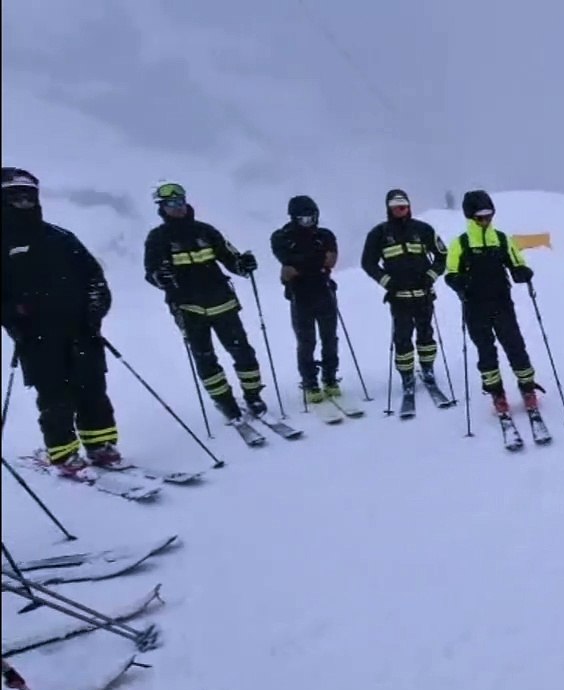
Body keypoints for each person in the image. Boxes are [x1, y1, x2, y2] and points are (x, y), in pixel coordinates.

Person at [1, 167, 120, 478]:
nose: (24, 200)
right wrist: (14, 314)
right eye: (15, 195)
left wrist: (96, 308)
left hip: (83, 330)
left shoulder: (61, 236)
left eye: (29, 194)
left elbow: (94, 277)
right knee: (56, 398)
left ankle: (101, 447)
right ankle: (64, 455)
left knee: (93, 389)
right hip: (38, 337)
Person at [142, 180, 267, 422]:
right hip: (188, 308)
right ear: (162, 208)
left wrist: (244, 265)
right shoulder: (157, 238)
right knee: (205, 358)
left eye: (180, 201)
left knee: (242, 352)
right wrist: (160, 277)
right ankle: (225, 402)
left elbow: (230, 258)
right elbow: (150, 272)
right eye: (171, 204)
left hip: (223, 303)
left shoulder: (206, 231)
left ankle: (253, 395)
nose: (177, 207)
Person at [443, 190, 542, 415]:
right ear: (470, 217)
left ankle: (527, 389)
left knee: (515, 346)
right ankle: (497, 393)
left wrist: (522, 272)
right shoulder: (461, 243)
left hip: (501, 303)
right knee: (486, 352)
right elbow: (450, 273)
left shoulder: (502, 239)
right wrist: (459, 282)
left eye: (489, 215)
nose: (486, 220)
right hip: (475, 306)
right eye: (481, 216)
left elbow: (516, 262)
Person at [360, 188, 447, 399]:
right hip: (399, 298)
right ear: (389, 209)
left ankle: (427, 369)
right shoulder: (379, 233)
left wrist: (431, 275)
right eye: (397, 207)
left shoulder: (423, 229)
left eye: (404, 206)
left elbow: (442, 256)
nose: (401, 210)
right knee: (402, 338)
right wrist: (388, 282)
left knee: (426, 334)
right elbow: (368, 263)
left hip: (424, 294)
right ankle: (406, 374)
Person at [271, 195, 341, 405]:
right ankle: (309, 381)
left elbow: (331, 258)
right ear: (294, 217)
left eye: (311, 217)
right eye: (303, 218)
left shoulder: (324, 235)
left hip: (324, 291)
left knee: (330, 338)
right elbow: (287, 261)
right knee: (306, 340)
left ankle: (329, 377)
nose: (308, 221)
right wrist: (314, 262)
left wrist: (301, 265)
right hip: (300, 295)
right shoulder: (282, 237)